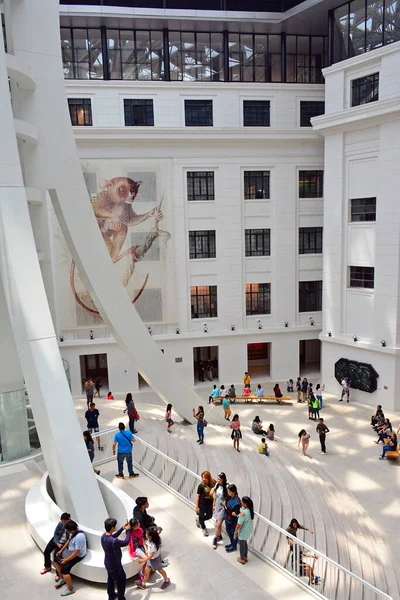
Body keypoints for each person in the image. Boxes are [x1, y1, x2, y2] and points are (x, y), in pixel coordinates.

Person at [54, 520, 87, 596]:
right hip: (70, 552)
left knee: (64, 570)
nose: (67, 532)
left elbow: (77, 552)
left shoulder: (79, 537)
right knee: (56, 559)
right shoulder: (73, 533)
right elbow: (69, 540)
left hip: (77, 555)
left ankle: (70, 589)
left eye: (68, 530)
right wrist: (61, 550)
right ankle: (62, 579)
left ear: (72, 530)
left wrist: (66, 560)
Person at [101, 517, 131, 600]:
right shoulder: (114, 541)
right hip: (116, 567)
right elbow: (126, 542)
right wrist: (128, 530)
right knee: (121, 582)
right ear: (112, 528)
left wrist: (122, 528)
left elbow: (113, 536)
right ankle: (121, 598)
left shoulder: (103, 536)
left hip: (108, 564)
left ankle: (111, 595)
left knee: (110, 579)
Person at [235, 496, 254, 564]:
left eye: (242, 502)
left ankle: (242, 558)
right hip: (248, 529)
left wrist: (235, 533)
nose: (241, 503)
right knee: (245, 543)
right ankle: (245, 556)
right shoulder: (249, 510)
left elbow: (238, 525)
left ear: (245, 504)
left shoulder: (243, 513)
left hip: (243, 531)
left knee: (242, 545)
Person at [195, 471, 215, 537]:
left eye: (205, 478)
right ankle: (204, 528)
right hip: (202, 504)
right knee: (201, 516)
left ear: (209, 478)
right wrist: (197, 507)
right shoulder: (201, 486)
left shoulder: (213, 483)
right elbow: (197, 496)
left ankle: (199, 519)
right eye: (202, 477)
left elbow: (217, 484)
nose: (203, 479)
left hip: (209, 504)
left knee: (209, 516)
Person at [212, 472, 228, 550]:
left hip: (222, 508)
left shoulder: (227, 487)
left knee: (218, 525)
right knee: (217, 523)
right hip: (217, 506)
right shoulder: (217, 485)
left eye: (220, 479)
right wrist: (214, 504)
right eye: (218, 479)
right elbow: (214, 495)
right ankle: (219, 535)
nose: (218, 480)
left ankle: (215, 539)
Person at [224, 484, 241, 553]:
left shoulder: (237, 501)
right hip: (228, 518)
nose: (228, 493)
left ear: (234, 492)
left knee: (233, 533)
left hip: (233, 520)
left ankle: (234, 546)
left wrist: (228, 511)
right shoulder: (229, 497)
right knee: (228, 531)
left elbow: (235, 513)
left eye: (229, 492)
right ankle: (232, 543)